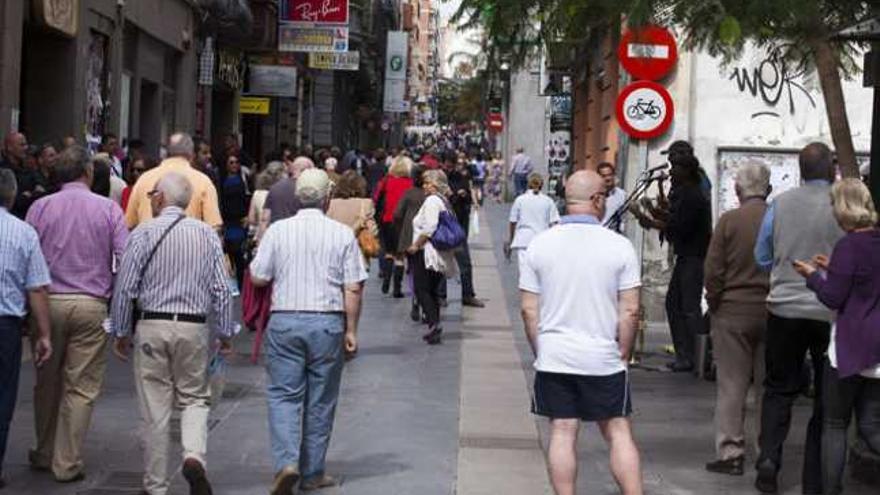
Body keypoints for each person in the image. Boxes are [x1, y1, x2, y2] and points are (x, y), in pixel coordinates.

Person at [519, 170, 642, 495]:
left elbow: (529, 310)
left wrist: (541, 349)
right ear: (598, 200)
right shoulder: (620, 246)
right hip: (604, 357)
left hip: (555, 356)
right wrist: (624, 352)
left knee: (561, 430)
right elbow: (630, 310)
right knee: (618, 431)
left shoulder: (539, 245)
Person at [109, 172, 233, 495]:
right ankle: (193, 456)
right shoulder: (207, 235)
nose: (150, 199)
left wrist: (121, 330)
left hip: (152, 325)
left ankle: (155, 485)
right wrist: (225, 331)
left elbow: (125, 288)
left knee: (155, 407)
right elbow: (222, 288)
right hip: (193, 326)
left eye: (152, 194)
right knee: (194, 397)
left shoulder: (143, 234)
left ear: (160, 199)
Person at [249, 169, 367, 494]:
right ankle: (313, 472)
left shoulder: (278, 231)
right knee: (321, 399)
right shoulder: (342, 234)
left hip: (285, 319)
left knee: (284, 395)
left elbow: (258, 275)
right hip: (326, 322)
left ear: (299, 197)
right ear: (327, 198)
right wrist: (352, 329)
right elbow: (353, 287)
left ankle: (286, 463)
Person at [25, 145, 128, 482]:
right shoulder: (108, 210)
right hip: (91, 304)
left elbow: (29, 256)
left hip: (47, 303)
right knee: (81, 386)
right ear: (87, 173)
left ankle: (44, 450)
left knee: (47, 381)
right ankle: (66, 461)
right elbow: (123, 259)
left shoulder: (39, 208)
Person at [752, 142, 843, 494]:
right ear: (831, 170)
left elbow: (762, 255)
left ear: (801, 170)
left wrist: (782, 270)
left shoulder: (781, 204)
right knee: (826, 396)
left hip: (784, 308)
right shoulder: (843, 204)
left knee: (778, 388)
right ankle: (814, 478)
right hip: (829, 311)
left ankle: (770, 459)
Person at [791, 178, 880, 495]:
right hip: (876, 347)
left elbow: (833, 297)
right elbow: (864, 281)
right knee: (870, 424)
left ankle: (830, 490)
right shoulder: (874, 241)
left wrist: (813, 276)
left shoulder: (848, 245)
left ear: (843, 207)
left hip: (848, 348)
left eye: (833, 204)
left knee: (835, 424)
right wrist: (835, 269)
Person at [703, 162, 771, 476]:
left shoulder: (729, 221)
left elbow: (713, 271)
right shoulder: (776, 218)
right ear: (768, 189)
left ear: (737, 190)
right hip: (771, 311)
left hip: (732, 310)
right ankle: (766, 451)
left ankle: (731, 452)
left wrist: (715, 303)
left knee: (732, 385)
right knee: (768, 385)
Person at [0, 169, 52, 490]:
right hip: (5, 326)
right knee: (3, 394)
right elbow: (37, 288)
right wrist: (44, 334)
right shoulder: (23, 233)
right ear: (12, 195)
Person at [125, 133, 223, 231]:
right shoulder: (203, 182)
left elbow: (129, 224)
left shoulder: (144, 179)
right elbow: (214, 227)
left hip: (149, 243)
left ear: (167, 153)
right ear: (192, 154)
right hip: (189, 243)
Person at [406, 170, 458, 345]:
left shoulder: (432, 201)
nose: (424, 186)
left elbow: (429, 227)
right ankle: (434, 325)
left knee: (421, 289)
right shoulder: (444, 200)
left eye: (428, 183)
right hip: (438, 251)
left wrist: (416, 245)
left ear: (435, 185)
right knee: (432, 290)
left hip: (427, 251)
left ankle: (434, 324)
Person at [443, 157, 484, 308]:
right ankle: (441, 296)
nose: (454, 167)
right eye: (453, 164)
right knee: (442, 264)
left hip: (459, 229)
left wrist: (465, 195)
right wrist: (453, 195)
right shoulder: (441, 181)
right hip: (445, 228)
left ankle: (467, 295)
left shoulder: (463, 180)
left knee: (465, 264)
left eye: (458, 165)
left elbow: (468, 202)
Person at [373, 157, 414, 297]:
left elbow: (376, 198)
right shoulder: (410, 183)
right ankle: (397, 288)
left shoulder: (386, 180)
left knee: (389, 252)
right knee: (400, 256)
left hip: (386, 220)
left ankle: (386, 279)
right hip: (403, 222)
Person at [394, 165, 428, 321]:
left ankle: (415, 298)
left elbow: (397, 213)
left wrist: (400, 228)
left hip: (409, 236)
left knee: (413, 270)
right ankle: (427, 302)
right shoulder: (430, 195)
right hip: (427, 237)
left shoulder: (408, 194)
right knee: (427, 270)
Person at [507, 173, 560, 272]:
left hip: (523, 240)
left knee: (524, 272)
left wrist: (511, 239)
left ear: (528, 184)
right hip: (542, 239)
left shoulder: (520, 200)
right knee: (540, 272)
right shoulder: (548, 201)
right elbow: (555, 223)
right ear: (542, 185)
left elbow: (513, 221)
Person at [327, 170, 378, 267]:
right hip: (358, 256)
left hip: (335, 255)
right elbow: (372, 230)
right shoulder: (366, 203)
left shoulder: (331, 204)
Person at [219, 153, 250, 288]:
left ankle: (240, 282)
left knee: (238, 252)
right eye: (231, 162)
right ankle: (231, 283)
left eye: (236, 162)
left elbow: (245, 199)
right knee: (229, 252)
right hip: (227, 220)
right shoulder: (222, 181)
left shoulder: (243, 180)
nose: (234, 165)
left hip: (239, 220)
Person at [263, 156, 313, 226]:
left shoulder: (275, 188)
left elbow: (265, 218)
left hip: (277, 232)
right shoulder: (307, 191)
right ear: (305, 170)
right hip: (298, 232)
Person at [247, 161, 285, 243]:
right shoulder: (283, 193)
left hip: (262, 236)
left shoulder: (257, 193)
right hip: (280, 237)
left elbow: (251, 219)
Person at [598, 162, 626, 230]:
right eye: (603, 176)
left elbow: (624, 220)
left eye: (609, 175)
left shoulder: (621, 195)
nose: (607, 178)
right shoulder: (593, 194)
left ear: (614, 175)